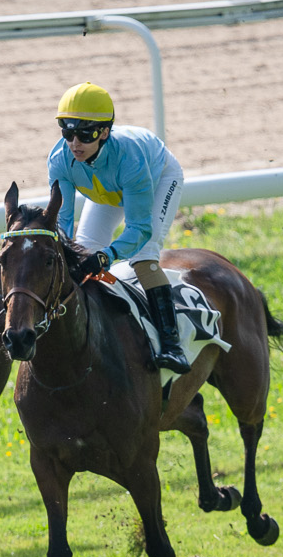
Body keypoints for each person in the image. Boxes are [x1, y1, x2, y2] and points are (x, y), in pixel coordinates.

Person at [44, 81, 190, 374]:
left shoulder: (130, 159)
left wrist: (107, 256)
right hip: (108, 189)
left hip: (156, 177)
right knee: (84, 252)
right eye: (67, 133)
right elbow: (63, 223)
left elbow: (139, 229)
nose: (75, 144)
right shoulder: (60, 160)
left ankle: (172, 346)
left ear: (104, 132)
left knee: (143, 256)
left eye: (84, 134)